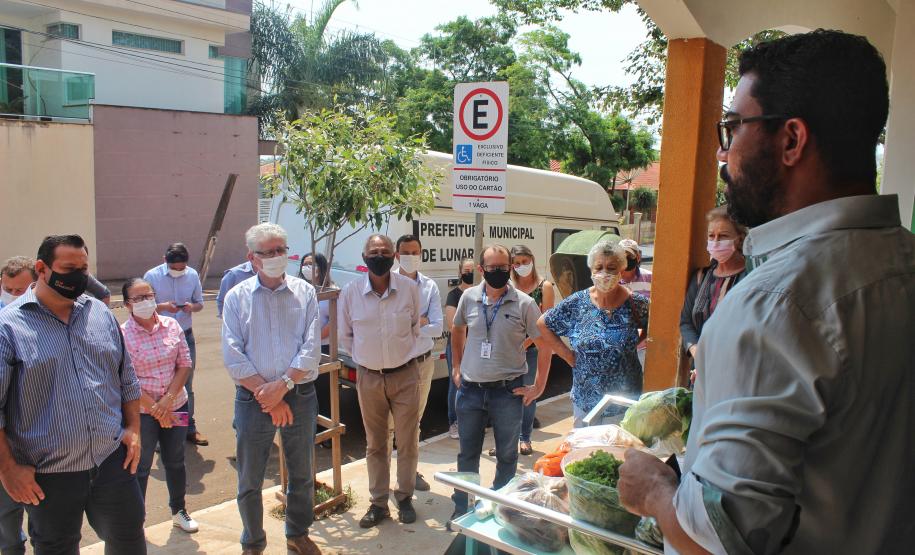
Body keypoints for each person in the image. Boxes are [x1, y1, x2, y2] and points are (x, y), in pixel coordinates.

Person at [617, 30, 914, 555]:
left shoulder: (775, 305)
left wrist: (657, 492)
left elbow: (719, 543)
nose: (722, 152)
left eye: (732, 128)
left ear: (791, 141)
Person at [0, 234, 145, 554]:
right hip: (48, 477)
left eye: (84, 268)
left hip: (112, 464)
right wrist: (8, 469)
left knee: (129, 541)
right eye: (69, 268)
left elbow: (127, 378)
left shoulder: (100, 314)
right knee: (57, 548)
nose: (78, 276)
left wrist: (133, 428)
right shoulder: (8, 328)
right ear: (41, 268)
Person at [222, 223, 322, 555]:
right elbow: (233, 355)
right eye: (270, 251)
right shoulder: (237, 297)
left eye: (282, 249)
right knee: (249, 478)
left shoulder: (304, 291)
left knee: (302, 472)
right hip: (253, 399)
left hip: (300, 394)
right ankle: (252, 541)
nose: (279, 257)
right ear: (253, 258)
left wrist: (284, 386)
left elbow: (311, 346)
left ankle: (297, 533)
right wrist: (269, 396)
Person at [448, 244, 551, 528]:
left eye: (504, 267)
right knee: (467, 455)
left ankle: (502, 509)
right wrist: (456, 367)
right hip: (470, 391)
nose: (499, 272)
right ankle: (462, 507)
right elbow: (457, 329)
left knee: (507, 455)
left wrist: (538, 386)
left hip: (508, 391)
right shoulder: (468, 298)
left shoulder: (525, 303)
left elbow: (545, 346)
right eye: (493, 268)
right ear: (481, 270)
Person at [338, 234, 421, 528]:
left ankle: (405, 497)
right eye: (374, 251)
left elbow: (417, 328)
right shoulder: (349, 293)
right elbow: (345, 336)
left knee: (407, 441)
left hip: (405, 375)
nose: (379, 255)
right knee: (375, 444)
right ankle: (378, 503)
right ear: (364, 257)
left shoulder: (410, 289)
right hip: (369, 378)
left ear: (394, 256)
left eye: (385, 251)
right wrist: (368, 360)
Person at [536, 241, 649, 427]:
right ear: (591, 270)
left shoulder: (636, 303)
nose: (604, 273)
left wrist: (635, 341)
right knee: (586, 453)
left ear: (621, 270)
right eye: (599, 267)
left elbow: (653, 326)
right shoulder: (577, 302)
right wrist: (567, 356)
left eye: (611, 267)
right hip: (585, 401)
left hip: (624, 403)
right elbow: (543, 324)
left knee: (619, 452)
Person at [120, 278, 198, 534]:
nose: (145, 302)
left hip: (177, 405)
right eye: (138, 298)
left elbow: (184, 364)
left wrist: (168, 401)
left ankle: (179, 510)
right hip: (141, 412)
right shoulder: (121, 334)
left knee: (175, 460)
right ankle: (136, 520)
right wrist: (155, 408)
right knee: (140, 467)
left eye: (149, 295)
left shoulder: (171, 325)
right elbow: (124, 378)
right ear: (126, 304)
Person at [144, 242, 207, 446]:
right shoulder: (151, 276)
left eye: (182, 268)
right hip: (158, 337)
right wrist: (162, 306)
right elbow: (143, 305)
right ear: (165, 261)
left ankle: (188, 428)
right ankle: (164, 432)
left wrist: (192, 307)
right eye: (175, 268)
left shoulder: (192, 275)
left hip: (185, 336)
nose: (179, 271)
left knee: (185, 384)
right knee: (162, 386)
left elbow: (200, 303)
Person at [394, 234, 443, 491]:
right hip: (393, 364)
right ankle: (392, 471)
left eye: (415, 252)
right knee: (391, 423)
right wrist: (419, 321)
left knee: (415, 421)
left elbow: (437, 328)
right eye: (405, 252)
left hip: (422, 363)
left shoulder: (429, 286)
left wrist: (409, 325)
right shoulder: (387, 284)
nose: (410, 257)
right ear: (396, 255)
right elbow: (388, 328)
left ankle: (410, 472)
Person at [679, 206, 747, 383]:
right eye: (711, 236)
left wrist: (714, 364)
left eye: (723, 236)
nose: (716, 241)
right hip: (701, 374)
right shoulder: (701, 277)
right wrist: (699, 356)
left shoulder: (750, 277)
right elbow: (686, 322)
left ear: (739, 239)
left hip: (736, 375)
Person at [0, 257, 35, 555]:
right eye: (7, 289)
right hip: (4, 441)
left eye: (19, 290)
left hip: (39, 438)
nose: (12, 295)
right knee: (6, 516)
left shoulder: (47, 321)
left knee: (46, 520)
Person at [509, 245, 554, 456]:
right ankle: (506, 439)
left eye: (525, 261)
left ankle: (524, 438)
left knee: (528, 393)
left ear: (532, 260)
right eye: (516, 263)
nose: (521, 266)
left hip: (533, 349)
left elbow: (547, 323)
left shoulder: (544, 287)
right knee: (506, 396)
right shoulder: (508, 286)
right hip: (507, 350)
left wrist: (525, 343)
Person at [299, 252, 336, 449]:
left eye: (312, 264)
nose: (307, 268)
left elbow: (334, 321)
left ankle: (326, 435)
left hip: (323, 348)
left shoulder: (330, 291)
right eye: (304, 264)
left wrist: (314, 338)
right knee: (305, 391)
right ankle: (308, 431)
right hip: (302, 349)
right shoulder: (298, 290)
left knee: (324, 393)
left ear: (321, 268)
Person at [444, 258, 475, 440]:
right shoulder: (454, 295)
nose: (469, 273)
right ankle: (454, 422)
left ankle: (473, 420)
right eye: (466, 269)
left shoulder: (481, 293)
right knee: (456, 383)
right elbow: (452, 324)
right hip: (458, 345)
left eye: (472, 269)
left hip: (477, 346)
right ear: (460, 272)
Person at [618, 239, 652, 370]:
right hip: (618, 349)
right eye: (622, 256)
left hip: (642, 349)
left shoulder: (651, 278)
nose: (626, 259)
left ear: (638, 257)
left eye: (630, 256)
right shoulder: (611, 280)